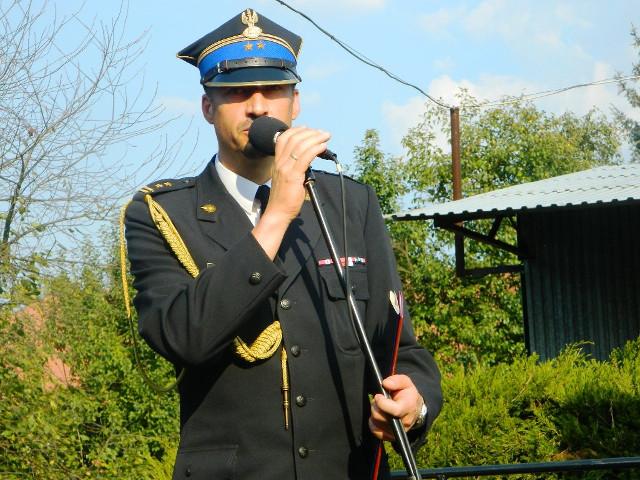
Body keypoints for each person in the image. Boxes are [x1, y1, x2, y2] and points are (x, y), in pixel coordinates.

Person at [124, 8, 442, 480]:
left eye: (273, 90)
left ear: (295, 104)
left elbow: (398, 346)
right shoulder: (162, 213)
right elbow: (183, 337)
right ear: (208, 107)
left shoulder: (350, 203)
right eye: (236, 93)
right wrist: (277, 215)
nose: (257, 107)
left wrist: (415, 403)